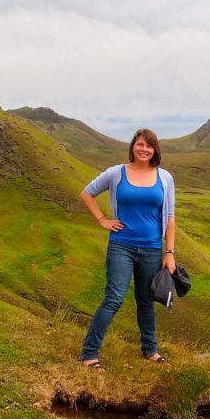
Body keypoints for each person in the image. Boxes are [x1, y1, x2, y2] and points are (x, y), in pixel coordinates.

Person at [78, 128, 176, 370]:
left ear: (155, 150)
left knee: (145, 301)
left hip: (152, 249)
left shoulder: (164, 178)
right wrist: (102, 219)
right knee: (114, 298)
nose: (144, 149)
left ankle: (150, 351)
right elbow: (86, 193)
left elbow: (170, 216)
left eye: (149, 146)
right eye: (140, 144)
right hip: (121, 246)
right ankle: (89, 355)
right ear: (133, 146)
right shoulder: (116, 173)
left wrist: (170, 253)